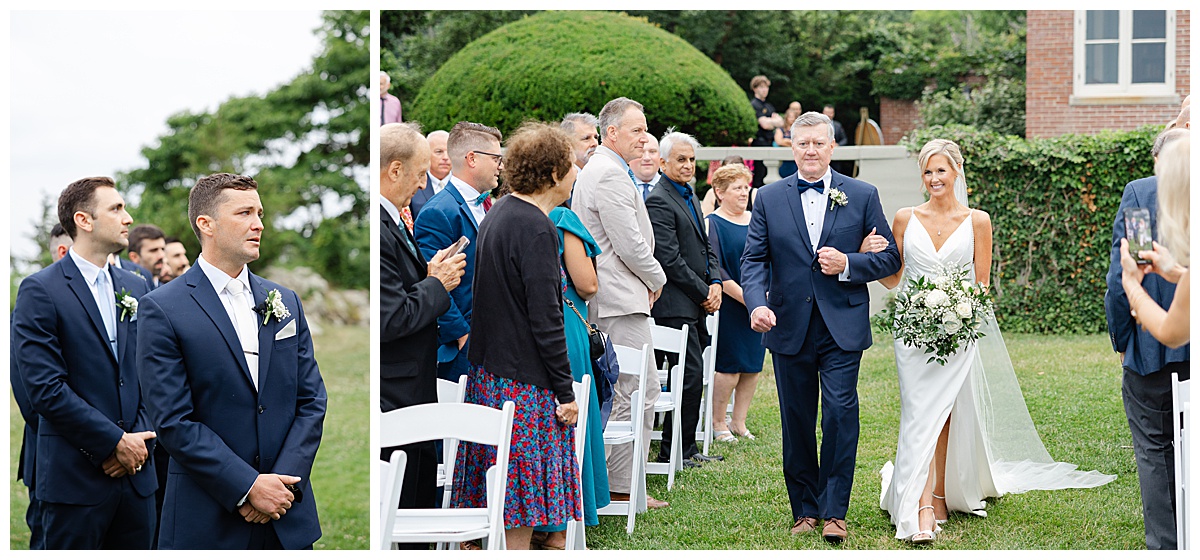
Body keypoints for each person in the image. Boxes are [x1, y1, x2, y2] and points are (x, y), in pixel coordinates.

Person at [874, 139, 1115, 544]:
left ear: (956, 172)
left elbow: (981, 286)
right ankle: (918, 505)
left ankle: (935, 496)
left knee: (946, 411)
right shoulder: (904, 218)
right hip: (913, 332)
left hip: (956, 330)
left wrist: (956, 312)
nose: (934, 179)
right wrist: (871, 255)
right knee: (919, 412)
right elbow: (895, 279)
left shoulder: (977, 221)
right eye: (928, 172)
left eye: (941, 171)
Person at [137, 173, 327, 549]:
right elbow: (173, 420)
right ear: (205, 224)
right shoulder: (162, 307)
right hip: (206, 518)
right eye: (244, 213)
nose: (259, 224)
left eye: (259, 213)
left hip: (286, 515)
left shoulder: (284, 300)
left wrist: (282, 483)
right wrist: (248, 486)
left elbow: (311, 400)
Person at [740, 111, 901, 543]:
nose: (810, 151)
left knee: (840, 413)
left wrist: (849, 262)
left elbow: (889, 259)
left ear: (832, 147)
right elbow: (754, 260)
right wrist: (756, 303)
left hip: (842, 325)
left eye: (818, 143)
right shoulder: (769, 197)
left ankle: (835, 510)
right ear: (791, 147)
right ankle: (804, 509)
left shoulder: (862, 194)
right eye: (802, 143)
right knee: (795, 419)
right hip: (788, 324)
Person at [452, 122, 581, 550]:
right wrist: (565, 392)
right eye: (571, 164)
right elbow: (545, 318)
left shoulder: (499, 213)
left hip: (491, 375)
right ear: (552, 173)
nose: (576, 170)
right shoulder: (536, 227)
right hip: (523, 384)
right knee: (518, 505)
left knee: (503, 501)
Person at [13, 176, 158, 549]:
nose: (128, 218)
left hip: (138, 476)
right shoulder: (40, 289)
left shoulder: (136, 287)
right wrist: (111, 444)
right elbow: (45, 389)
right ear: (84, 220)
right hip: (75, 479)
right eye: (117, 208)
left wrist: (135, 446)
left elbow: (151, 375)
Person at [573, 96, 669, 509]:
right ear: (611, 132)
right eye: (636, 129)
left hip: (617, 297)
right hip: (618, 300)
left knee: (633, 390)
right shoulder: (609, 174)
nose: (644, 136)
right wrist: (658, 277)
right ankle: (619, 487)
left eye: (644, 129)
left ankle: (621, 483)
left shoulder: (608, 169)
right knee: (631, 392)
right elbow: (628, 242)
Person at [378, 123, 466, 542]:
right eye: (418, 173)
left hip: (412, 384)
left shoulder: (393, 219)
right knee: (406, 508)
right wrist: (438, 284)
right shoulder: (378, 227)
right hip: (396, 394)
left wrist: (427, 274)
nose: (421, 183)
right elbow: (390, 319)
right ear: (394, 170)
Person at [1107, 127, 1190, 549]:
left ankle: (1165, 544)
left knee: (1154, 450)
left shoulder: (1140, 194)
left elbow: (1129, 273)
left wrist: (1123, 341)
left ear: (1159, 161)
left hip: (1153, 346)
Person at [530, 184, 610, 551]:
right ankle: (560, 529)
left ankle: (543, 523)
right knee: (568, 421)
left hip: (531, 332)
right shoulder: (562, 217)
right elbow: (588, 283)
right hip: (565, 326)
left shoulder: (514, 216)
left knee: (542, 423)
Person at [647, 128, 723, 468]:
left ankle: (687, 447)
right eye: (681, 159)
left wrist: (717, 281)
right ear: (663, 162)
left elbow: (706, 246)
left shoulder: (691, 194)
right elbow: (669, 259)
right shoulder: (658, 199)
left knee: (692, 375)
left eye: (692, 159)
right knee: (687, 376)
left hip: (696, 301)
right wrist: (703, 291)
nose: (689, 165)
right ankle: (673, 449)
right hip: (673, 304)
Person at [414, 121, 504, 382]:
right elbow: (432, 282)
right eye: (496, 158)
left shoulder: (490, 205)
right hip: (462, 350)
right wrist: (464, 337)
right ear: (472, 159)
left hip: (495, 342)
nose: (501, 165)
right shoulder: (438, 212)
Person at [705, 163, 766, 444]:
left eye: (746, 187)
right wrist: (748, 299)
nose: (744, 193)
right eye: (737, 188)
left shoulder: (756, 220)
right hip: (730, 305)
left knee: (753, 366)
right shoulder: (712, 223)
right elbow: (716, 269)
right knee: (729, 368)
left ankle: (739, 421)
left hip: (759, 305)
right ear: (720, 192)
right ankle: (718, 422)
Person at [748, 75, 784, 189]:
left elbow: (781, 122)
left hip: (769, 142)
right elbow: (765, 124)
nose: (765, 90)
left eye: (766, 87)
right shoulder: (754, 105)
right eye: (762, 87)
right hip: (759, 142)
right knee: (759, 175)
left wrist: (771, 121)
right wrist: (773, 121)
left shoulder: (768, 106)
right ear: (755, 88)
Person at [410, 130, 452, 220]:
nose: (445, 157)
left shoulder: (463, 183)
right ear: (426, 154)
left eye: (449, 152)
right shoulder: (413, 183)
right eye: (439, 152)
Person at [128, 224, 167, 288]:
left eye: (163, 249)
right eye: (153, 250)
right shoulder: (127, 288)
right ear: (134, 257)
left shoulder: (167, 290)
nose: (161, 256)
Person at [629, 132, 660, 201]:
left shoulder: (674, 188)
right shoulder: (621, 187)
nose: (647, 158)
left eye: (652, 152)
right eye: (641, 152)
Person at [775, 102, 802, 178]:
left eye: (793, 117)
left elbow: (800, 142)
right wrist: (790, 142)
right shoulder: (780, 129)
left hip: (796, 159)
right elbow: (779, 141)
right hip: (783, 160)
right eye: (790, 117)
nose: (792, 119)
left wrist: (785, 141)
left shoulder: (799, 129)